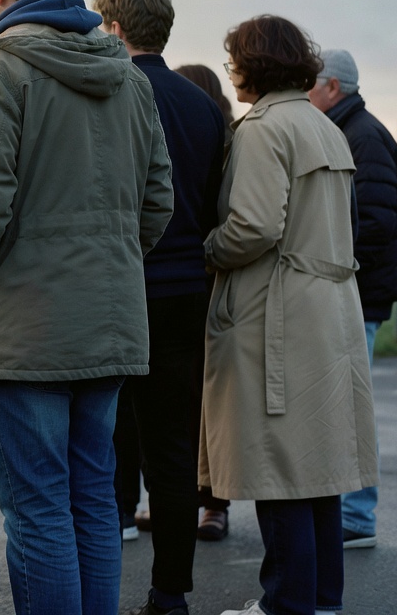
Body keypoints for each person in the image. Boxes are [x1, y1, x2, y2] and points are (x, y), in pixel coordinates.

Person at [0, 0, 174, 615]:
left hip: (23, 329)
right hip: (108, 320)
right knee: (92, 497)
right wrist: (110, 265)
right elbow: (158, 201)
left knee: (38, 507)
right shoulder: (128, 80)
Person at [206, 16, 378, 615]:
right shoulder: (324, 126)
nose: (231, 72)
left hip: (275, 311)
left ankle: (285, 604)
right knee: (318, 466)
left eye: (234, 60)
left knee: (276, 463)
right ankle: (321, 599)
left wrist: (207, 249)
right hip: (328, 308)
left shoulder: (264, 128)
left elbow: (254, 226)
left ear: (254, 64)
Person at [94, 0, 227, 615]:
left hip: (121, 285)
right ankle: (170, 593)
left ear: (115, 28)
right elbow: (214, 200)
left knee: (100, 439)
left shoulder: (111, 92)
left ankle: (91, 582)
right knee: (173, 451)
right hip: (186, 290)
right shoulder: (203, 106)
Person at [307, 48, 397, 551]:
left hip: (359, 295)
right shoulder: (351, 129)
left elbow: (371, 221)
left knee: (351, 405)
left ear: (333, 87)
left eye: (312, 83)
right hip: (357, 292)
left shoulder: (361, 136)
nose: (306, 93)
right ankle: (349, 512)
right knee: (346, 403)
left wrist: (328, 264)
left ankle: (357, 515)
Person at [172, 62, 236, 542]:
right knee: (181, 402)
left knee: (206, 402)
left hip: (210, 279)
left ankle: (214, 503)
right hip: (186, 277)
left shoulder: (228, 142)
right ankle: (184, 501)